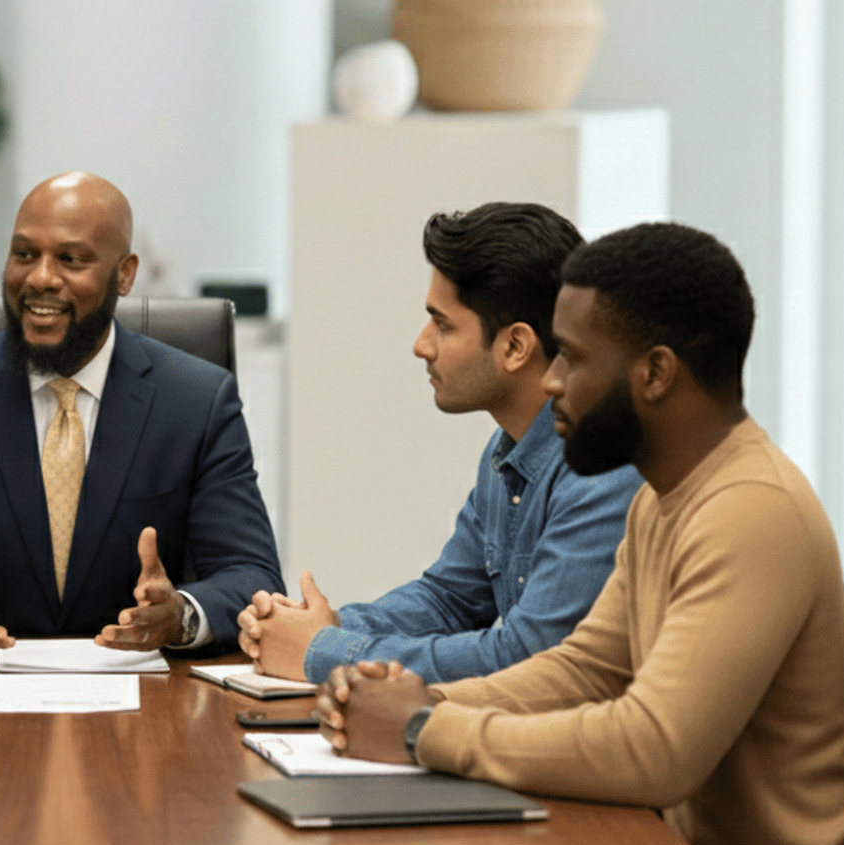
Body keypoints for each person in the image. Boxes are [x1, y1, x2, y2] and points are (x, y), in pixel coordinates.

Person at [315, 222, 844, 845]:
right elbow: (585, 669)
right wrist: (412, 700)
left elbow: (654, 747)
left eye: (573, 358)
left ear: (655, 373)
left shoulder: (750, 511)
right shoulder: (664, 496)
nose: (551, 380)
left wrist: (424, 729)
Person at [0, 171, 285, 653]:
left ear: (124, 274)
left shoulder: (198, 401)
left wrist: (181, 614)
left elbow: (253, 577)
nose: (40, 278)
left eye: (71, 259)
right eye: (24, 254)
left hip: (147, 699)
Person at [236, 203, 639, 683]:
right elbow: (449, 598)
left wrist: (324, 651)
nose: (421, 345)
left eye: (443, 324)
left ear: (515, 347)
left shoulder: (602, 469)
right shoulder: (508, 449)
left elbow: (528, 657)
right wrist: (317, 626)